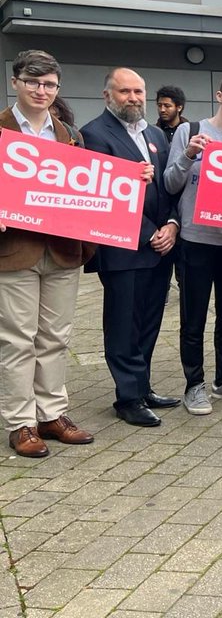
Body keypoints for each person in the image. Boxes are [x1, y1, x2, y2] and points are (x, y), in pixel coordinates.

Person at [0, 50, 97, 457]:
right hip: (14, 250)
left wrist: (136, 178)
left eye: (49, 84)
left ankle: (51, 414)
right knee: (17, 340)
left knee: (55, 338)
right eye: (33, 82)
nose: (42, 90)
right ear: (16, 83)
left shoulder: (68, 135)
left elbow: (89, 187)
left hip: (61, 250)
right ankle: (20, 423)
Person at [80, 67, 182, 427]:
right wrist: (148, 232)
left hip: (160, 247)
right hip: (124, 247)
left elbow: (169, 186)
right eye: (125, 92)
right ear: (108, 96)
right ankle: (127, 398)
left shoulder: (154, 133)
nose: (134, 98)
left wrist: (171, 224)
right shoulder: (93, 134)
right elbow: (103, 195)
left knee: (150, 322)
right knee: (124, 324)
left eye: (139, 91)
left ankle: (142, 386)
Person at [163, 72, 222, 415]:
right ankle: (194, 384)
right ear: (220, 95)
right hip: (195, 241)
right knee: (194, 318)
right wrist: (188, 154)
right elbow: (170, 185)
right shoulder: (189, 132)